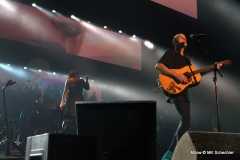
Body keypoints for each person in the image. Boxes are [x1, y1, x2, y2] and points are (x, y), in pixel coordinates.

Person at [155, 33, 222, 160]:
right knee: (185, 120)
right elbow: (159, 66)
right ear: (175, 42)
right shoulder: (171, 53)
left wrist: (213, 68)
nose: (184, 38)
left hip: (183, 92)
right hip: (174, 87)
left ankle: (171, 153)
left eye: (185, 37)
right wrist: (176, 75)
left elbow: (196, 76)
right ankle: (169, 154)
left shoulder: (187, 61)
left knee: (186, 120)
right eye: (181, 37)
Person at [60, 70, 90, 134]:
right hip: (79, 101)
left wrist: (62, 103)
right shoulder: (81, 81)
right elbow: (87, 88)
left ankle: (65, 132)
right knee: (79, 119)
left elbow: (65, 93)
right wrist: (87, 79)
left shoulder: (68, 81)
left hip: (70, 101)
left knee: (67, 118)